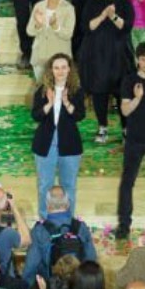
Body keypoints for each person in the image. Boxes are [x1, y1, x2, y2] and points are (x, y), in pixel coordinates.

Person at [74, 0, 131, 135]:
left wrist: (113, 16)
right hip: (96, 53)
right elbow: (86, 27)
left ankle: (126, 128)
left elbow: (127, 27)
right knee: (99, 91)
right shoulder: (92, 1)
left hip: (118, 53)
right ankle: (102, 127)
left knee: (121, 91)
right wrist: (102, 16)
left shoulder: (124, 1)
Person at [32, 56, 85, 217]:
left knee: (69, 186)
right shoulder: (42, 90)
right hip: (45, 143)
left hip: (70, 144)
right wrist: (49, 103)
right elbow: (36, 116)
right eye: (56, 67)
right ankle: (44, 220)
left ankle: (67, 221)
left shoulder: (77, 90)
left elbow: (79, 115)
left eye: (64, 67)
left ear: (69, 69)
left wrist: (66, 102)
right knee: (45, 185)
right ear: (51, 70)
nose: (60, 71)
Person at [26, 0, 76, 85]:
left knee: (59, 92)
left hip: (59, 61)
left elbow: (68, 34)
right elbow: (30, 31)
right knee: (42, 92)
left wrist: (55, 27)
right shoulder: (39, 6)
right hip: (39, 57)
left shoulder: (68, 9)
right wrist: (38, 25)